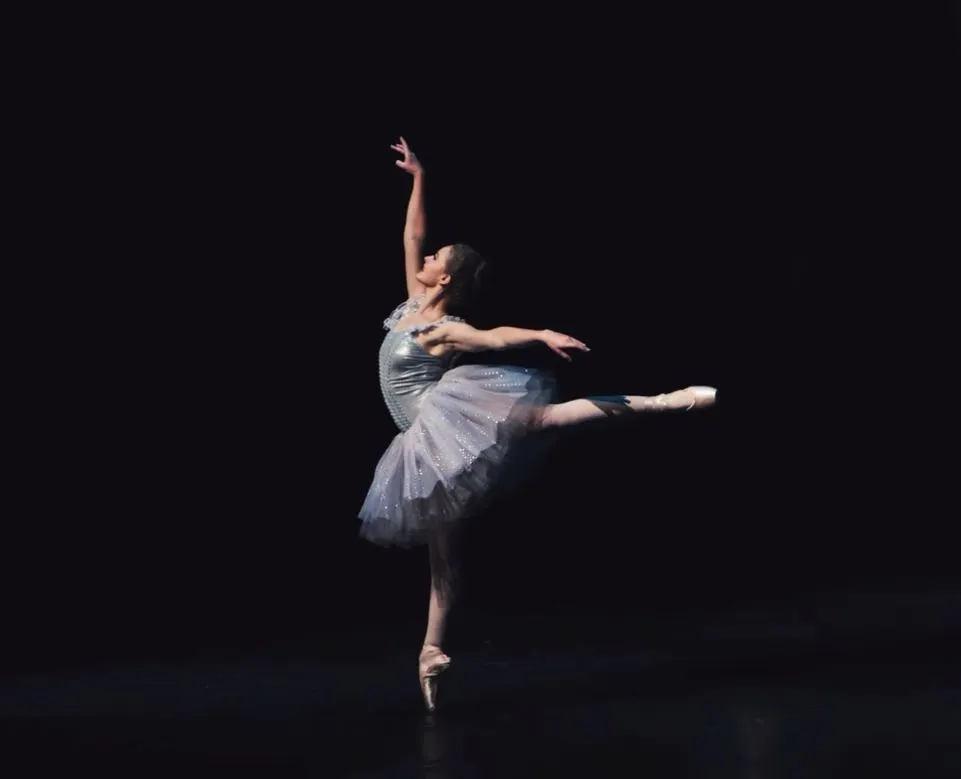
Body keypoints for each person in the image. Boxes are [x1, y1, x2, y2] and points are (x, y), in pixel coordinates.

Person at [359, 137, 717, 711]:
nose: (426, 260)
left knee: (546, 417)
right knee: (444, 553)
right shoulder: (410, 304)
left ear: (445, 280)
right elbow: (411, 238)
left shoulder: (443, 328)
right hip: (419, 443)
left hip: (444, 424)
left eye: (436, 260)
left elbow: (492, 338)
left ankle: (666, 402)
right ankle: (431, 652)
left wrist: (540, 334)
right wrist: (419, 177)